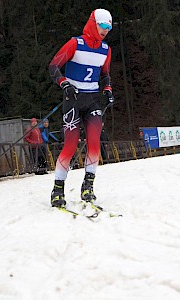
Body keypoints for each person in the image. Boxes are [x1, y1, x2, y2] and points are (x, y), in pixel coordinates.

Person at [49, 8, 114, 208]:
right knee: (70, 145)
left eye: (109, 27)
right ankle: (57, 190)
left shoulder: (105, 49)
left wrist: (108, 88)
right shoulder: (75, 43)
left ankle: (88, 187)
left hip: (92, 100)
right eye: (103, 25)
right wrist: (64, 83)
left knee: (94, 144)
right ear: (93, 23)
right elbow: (53, 66)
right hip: (73, 100)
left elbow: (104, 73)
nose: (106, 30)